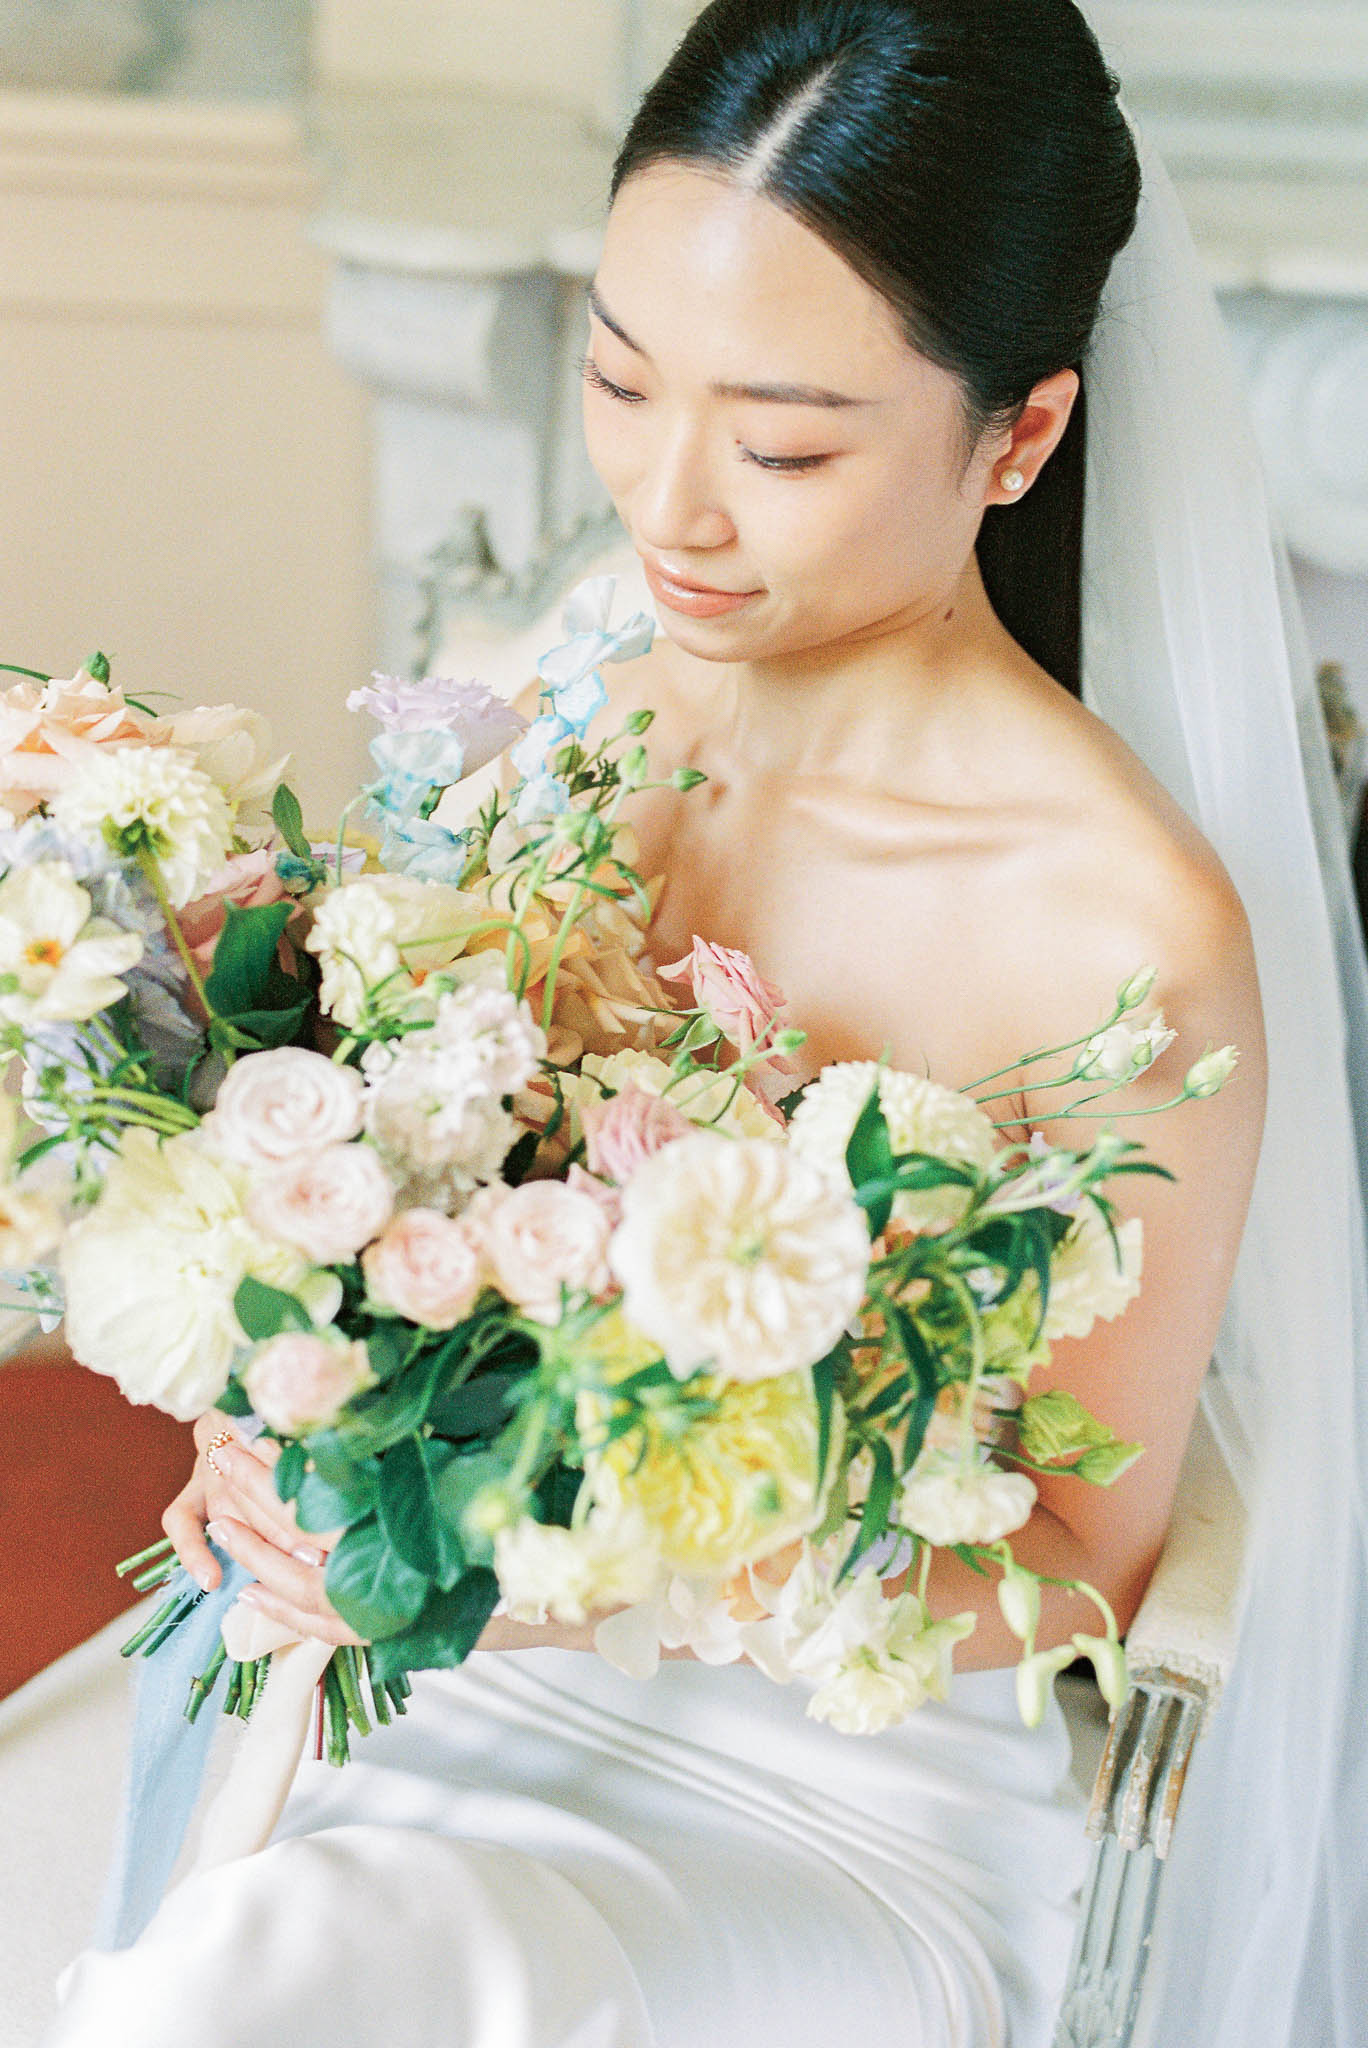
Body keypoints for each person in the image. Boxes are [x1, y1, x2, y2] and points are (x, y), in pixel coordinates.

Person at [43, 3, 1368, 2045]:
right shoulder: (569, 700)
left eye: (783, 446)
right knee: (257, 1967)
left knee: (288, 1980)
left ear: (1016, 438)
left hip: (849, 1786)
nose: (671, 511)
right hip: (439, 1678)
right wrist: (291, 1411)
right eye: (615, 377)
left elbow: (1093, 1552)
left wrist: (604, 1571)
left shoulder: (1126, 925)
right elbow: (408, 1195)